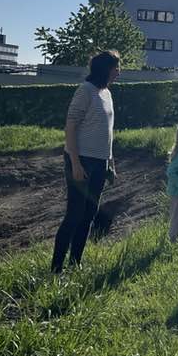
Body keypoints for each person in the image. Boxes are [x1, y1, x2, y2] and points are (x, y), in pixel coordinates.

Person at [51, 50, 121, 274]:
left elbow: (108, 132)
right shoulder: (85, 91)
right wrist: (75, 163)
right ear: (105, 69)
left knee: (89, 214)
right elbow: (70, 127)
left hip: (100, 162)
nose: (118, 71)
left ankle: (75, 263)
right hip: (81, 160)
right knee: (74, 214)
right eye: (116, 67)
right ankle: (56, 269)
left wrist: (111, 163)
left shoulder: (107, 93)